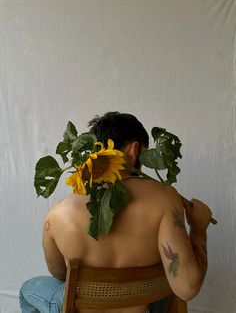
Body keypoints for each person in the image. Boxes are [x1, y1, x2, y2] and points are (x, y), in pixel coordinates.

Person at [19, 112, 212, 313]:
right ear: (135, 149)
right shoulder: (166, 199)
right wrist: (198, 230)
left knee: (27, 290)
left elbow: (60, 274)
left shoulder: (57, 214)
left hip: (79, 308)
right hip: (142, 307)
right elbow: (186, 288)